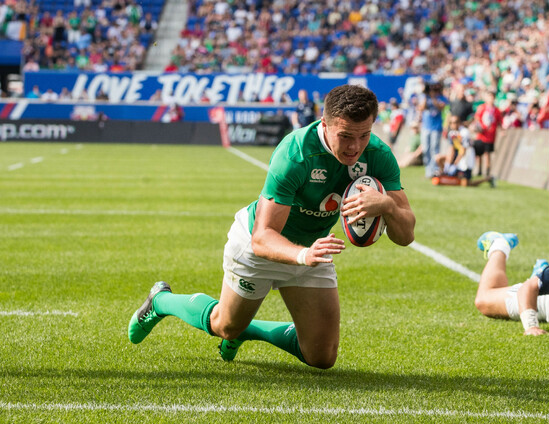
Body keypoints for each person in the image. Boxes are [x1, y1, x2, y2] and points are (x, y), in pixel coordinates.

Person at [127, 84, 416, 369]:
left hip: (312, 249)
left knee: (322, 358)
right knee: (225, 326)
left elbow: (406, 236)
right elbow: (262, 237)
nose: (355, 147)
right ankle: (161, 301)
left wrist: (388, 206)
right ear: (324, 124)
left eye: (364, 135)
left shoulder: (378, 154)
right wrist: (303, 255)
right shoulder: (295, 153)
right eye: (345, 136)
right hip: (259, 246)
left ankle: (247, 331)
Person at [432, 115, 495, 187]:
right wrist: (447, 164)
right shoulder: (451, 133)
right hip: (457, 155)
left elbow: (463, 150)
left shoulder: (464, 132)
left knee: (466, 183)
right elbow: (451, 148)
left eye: (455, 122)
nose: (453, 125)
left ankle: (488, 179)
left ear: (459, 123)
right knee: (438, 158)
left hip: (466, 157)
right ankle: (447, 175)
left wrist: (455, 164)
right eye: (451, 123)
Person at [419, 82, 449, 179]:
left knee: (434, 149)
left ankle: (435, 170)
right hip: (426, 127)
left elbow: (441, 107)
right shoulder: (425, 98)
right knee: (426, 149)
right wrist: (426, 96)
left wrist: (433, 97)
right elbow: (422, 108)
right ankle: (428, 170)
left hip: (436, 127)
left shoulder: (441, 98)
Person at [471, 90, 502, 177]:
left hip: (490, 136)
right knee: (478, 153)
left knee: (487, 153)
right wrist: (478, 127)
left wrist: (502, 130)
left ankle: (487, 171)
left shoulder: (496, 110)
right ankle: (479, 170)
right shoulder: (482, 108)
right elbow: (477, 118)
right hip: (481, 135)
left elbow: (499, 121)